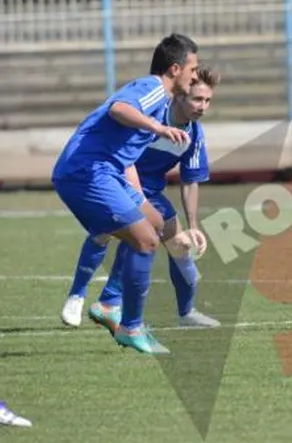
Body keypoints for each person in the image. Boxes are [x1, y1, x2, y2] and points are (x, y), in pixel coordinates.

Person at [51, 34, 199, 355]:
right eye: (192, 69)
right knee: (145, 240)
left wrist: (139, 200)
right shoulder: (152, 88)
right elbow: (119, 109)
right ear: (175, 69)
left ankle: (108, 303)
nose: (195, 77)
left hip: (109, 171)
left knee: (155, 223)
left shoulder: (161, 103)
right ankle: (130, 326)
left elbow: (127, 157)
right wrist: (159, 129)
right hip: (87, 170)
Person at [60, 66, 221, 332]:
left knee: (182, 248)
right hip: (117, 181)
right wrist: (138, 202)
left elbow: (190, 180)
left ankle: (185, 313)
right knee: (106, 232)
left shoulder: (194, 135)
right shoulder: (151, 116)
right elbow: (125, 157)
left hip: (151, 194)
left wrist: (193, 226)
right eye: (197, 99)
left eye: (207, 100)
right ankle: (79, 296)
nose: (202, 106)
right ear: (180, 95)